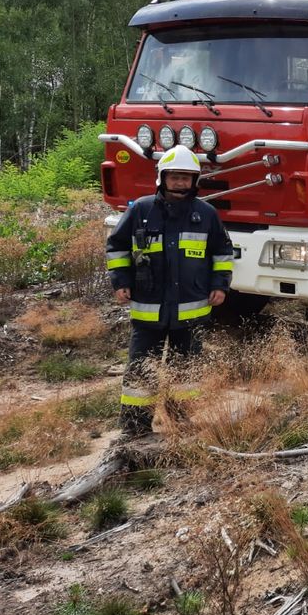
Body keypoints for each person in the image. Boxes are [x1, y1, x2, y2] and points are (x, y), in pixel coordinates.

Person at [105, 145, 233, 437]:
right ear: (162, 177)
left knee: (186, 371)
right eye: (174, 177)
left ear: (194, 181)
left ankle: (181, 423)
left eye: (185, 178)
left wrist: (220, 285)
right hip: (148, 309)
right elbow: (117, 247)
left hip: (191, 309)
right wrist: (121, 281)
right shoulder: (141, 210)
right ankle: (135, 429)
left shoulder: (206, 214)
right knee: (142, 369)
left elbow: (223, 253)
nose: (180, 183)